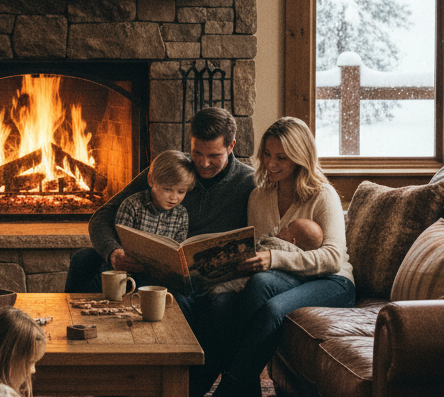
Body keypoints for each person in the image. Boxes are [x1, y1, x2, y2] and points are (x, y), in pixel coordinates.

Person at [186, 116, 355, 397]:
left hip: (331, 282)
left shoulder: (323, 195)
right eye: (267, 154)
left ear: (301, 156)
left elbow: (333, 257)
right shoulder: (259, 196)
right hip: (281, 279)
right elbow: (260, 251)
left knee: (271, 305)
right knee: (222, 302)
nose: (271, 164)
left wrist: (275, 259)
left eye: (282, 157)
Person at [65, 106, 255, 295]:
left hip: (199, 280)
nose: (204, 163)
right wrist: (113, 252)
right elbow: (103, 215)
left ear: (231, 146)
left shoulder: (248, 183)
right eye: (197, 153)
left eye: (214, 156)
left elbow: (263, 239)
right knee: (84, 259)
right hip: (148, 266)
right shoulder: (172, 170)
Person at [208, 217, 324, 295]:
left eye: (288, 227)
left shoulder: (279, 244)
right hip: (258, 277)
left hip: (248, 277)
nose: (283, 228)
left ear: (292, 241)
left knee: (218, 290)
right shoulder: (298, 258)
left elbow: (257, 248)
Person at [114, 149, 196, 243]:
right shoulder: (131, 206)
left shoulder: (181, 214)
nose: (173, 197)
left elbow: (179, 245)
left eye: (181, 192)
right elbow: (120, 241)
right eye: (167, 189)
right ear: (151, 180)